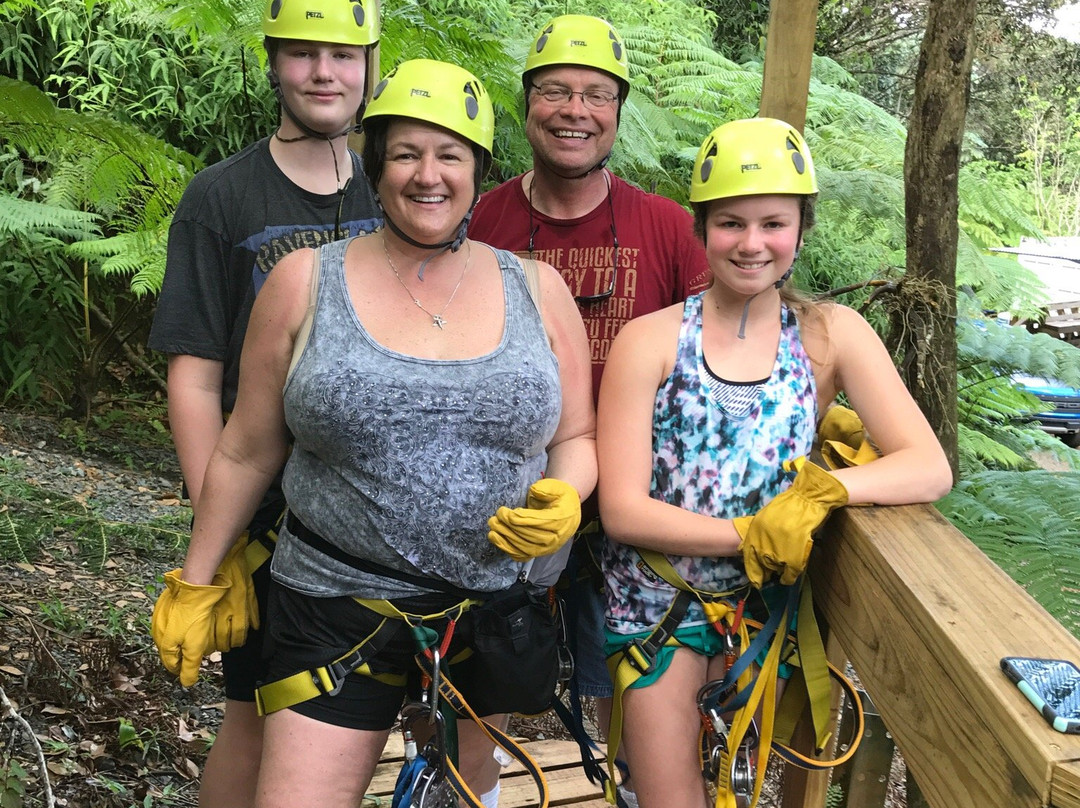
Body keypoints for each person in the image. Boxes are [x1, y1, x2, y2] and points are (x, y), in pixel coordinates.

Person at [151, 57, 596, 808]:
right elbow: (246, 446)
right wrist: (200, 576)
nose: (429, 175)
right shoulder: (304, 281)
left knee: (460, 797)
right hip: (332, 610)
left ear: (478, 171)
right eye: (406, 153)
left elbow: (577, 435)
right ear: (377, 167)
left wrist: (568, 494)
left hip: (485, 613)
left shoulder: (538, 290)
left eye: (450, 154)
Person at [596, 117, 953, 808]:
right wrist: (753, 534)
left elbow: (928, 466)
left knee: (737, 793)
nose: (752, 243)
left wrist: (819, 493)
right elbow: (623, 508)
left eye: (773, 223)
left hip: (767, 613)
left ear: (799, 228)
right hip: (655, 606)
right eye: (731, 223)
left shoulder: (828, 336)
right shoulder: (651, 341)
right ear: (702, 228)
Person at [467, 15, 710, 798]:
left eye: (596, 95)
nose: (576, 109)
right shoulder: (481, 218)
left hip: (637, 506)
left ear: (617, 110)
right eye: (556, 91)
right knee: (484, 677)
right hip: (511, 498)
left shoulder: (666, 227)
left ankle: (633, 788)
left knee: (632, 681)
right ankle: (470, 786)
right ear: (527, 105)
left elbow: (733, 334)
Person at [146, 0, 381, 804]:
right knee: (253, 715)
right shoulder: (223, 197)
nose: (324, 72)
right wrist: (219, 536)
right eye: (304, 54)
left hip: (373, 516)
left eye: (343, 56)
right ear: (273, 63)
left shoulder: (404, 190)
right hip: (267, 515)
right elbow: (196, 374)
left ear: (369, 68)